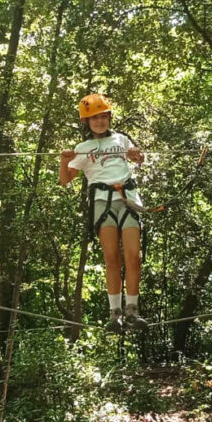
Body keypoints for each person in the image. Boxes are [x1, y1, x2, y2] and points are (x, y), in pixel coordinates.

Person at [59, 93, 149, 333]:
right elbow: (65, 180)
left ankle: (132, 312)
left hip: (128, 199)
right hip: (101, 201)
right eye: (94, 118)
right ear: (86, 122)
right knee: (111, 257)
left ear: (109, 117)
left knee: (134, 257)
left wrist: (138, 155)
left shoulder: (121, 139)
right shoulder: (83, 149)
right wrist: (64, 161)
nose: (99, 121)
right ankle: (115, 314)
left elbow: (138, 158)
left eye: (103, 116)